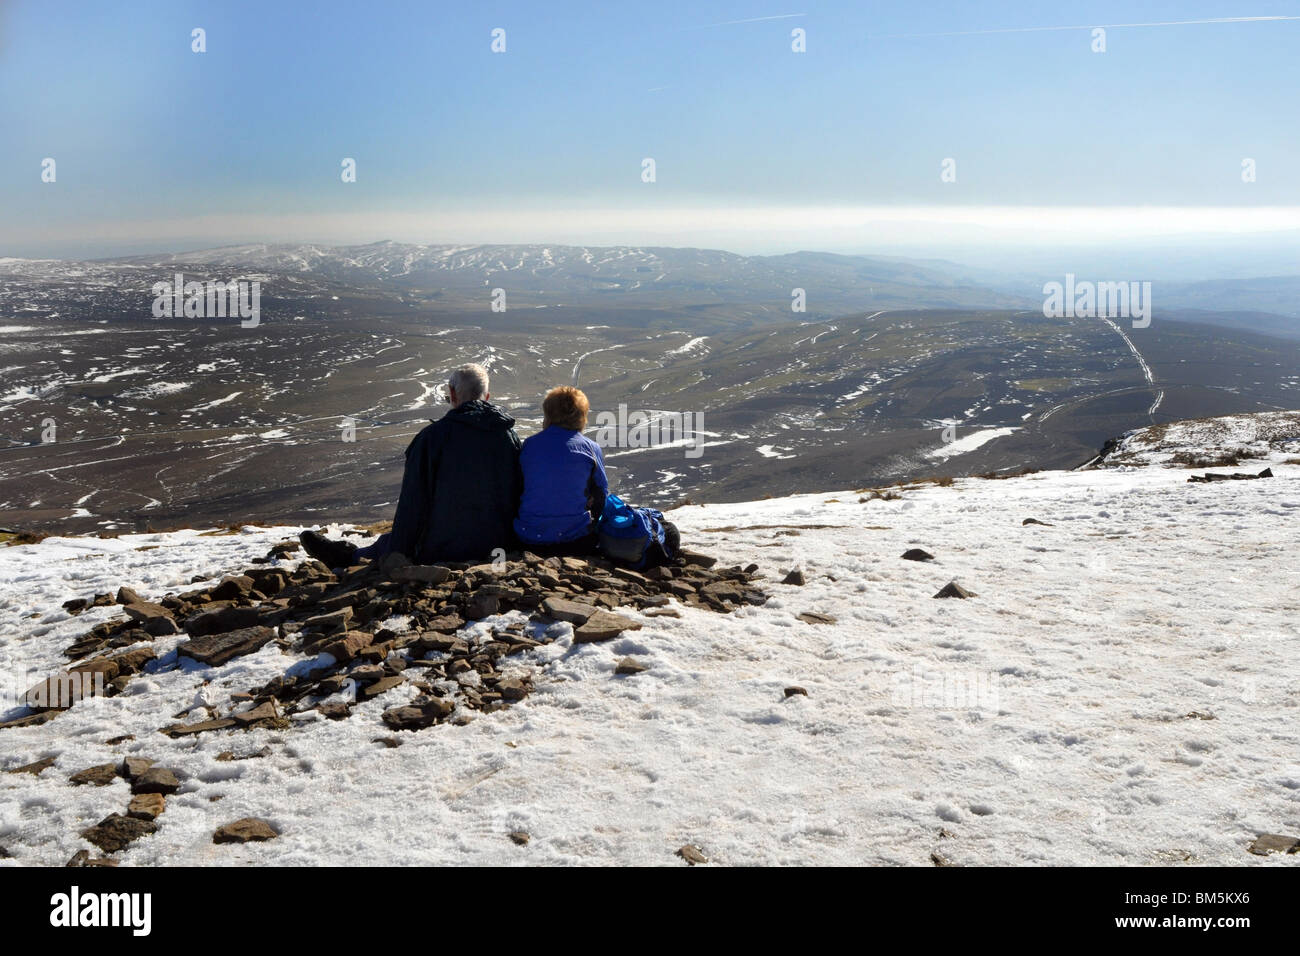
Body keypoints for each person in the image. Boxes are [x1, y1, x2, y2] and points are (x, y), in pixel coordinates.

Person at [300, 363, 521, 567]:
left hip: (443, 549)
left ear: (452, 394)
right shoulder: (509, 436)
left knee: (385, 544)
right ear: (487, 397)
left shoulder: (432, 439)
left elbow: (412, 504)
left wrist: (399, 552)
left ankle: (348, 557)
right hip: (498, 547)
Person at [513, 386, 608, 556]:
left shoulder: (529, 445)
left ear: (548, 415)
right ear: (582, 416)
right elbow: (602, 494)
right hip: (576, 540)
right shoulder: (591, 448)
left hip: (529, 537)